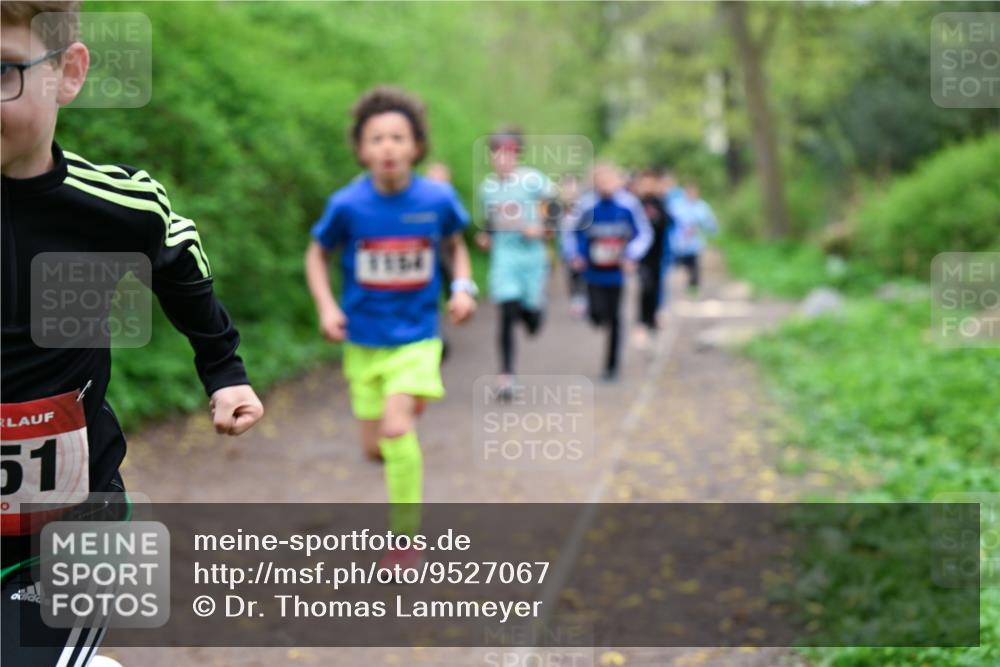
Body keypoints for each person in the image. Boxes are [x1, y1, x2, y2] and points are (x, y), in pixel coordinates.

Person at [1, 3, 264, 664]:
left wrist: (224, 369)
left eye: (3, 70)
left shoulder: (116, 209)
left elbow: (179, 262)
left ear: (69, 72)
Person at [304, 86, 477, 574]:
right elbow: (317, 254)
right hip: (363, 341)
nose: (387, 147)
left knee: (397, 427)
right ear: (361, 148)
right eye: (376, 138)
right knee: (375, 447)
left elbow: (455, 245)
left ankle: (404, 541)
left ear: (416, 146)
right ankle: (406, 406)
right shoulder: (347, 205)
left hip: (418, 337)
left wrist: (462, 287)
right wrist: (326, 306)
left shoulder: (438, 199)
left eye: (398, 137)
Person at [475, 127, 557, 400]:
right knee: (506, 312)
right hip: (504, 258)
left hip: (532, 258)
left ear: (517, 156)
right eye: (497, 154)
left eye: (508, 154)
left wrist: (544, 229)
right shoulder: (487, 188)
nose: (502, 160)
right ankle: (506, 375)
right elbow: (490, 221)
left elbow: (556, 207)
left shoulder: (533, 181)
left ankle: (536, 313)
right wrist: (486, 237)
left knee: (529, 317)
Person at [567, 163, 652, 381]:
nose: (605, 185)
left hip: (617, 272)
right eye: (600, 181)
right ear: (594, 182)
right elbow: (569, 232)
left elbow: (643, 233)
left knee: (615, 318)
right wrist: (575, 255)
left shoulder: (629, 205)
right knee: (597, 314)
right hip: (593, 272)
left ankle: (612, 367)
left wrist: (632, 254)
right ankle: (594, 315)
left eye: (609, 180)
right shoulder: (586, 206)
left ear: (617, 181)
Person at [631, 168, 672, 349]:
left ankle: (652, 319)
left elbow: (667, 223)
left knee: (655, 287)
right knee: (645, 287)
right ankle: (642, 322)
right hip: (641, 256)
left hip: (658, 254)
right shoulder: (635, 203)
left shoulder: (660, 202)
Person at [670, 181, 718, 295]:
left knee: (694, 269)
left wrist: (708, 228)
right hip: (677, 245)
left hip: (694, 245)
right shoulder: (676, 206)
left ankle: (693, 291)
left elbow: (711, 224)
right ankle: (673, 292)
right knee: (674, 269)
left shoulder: (702, 207)